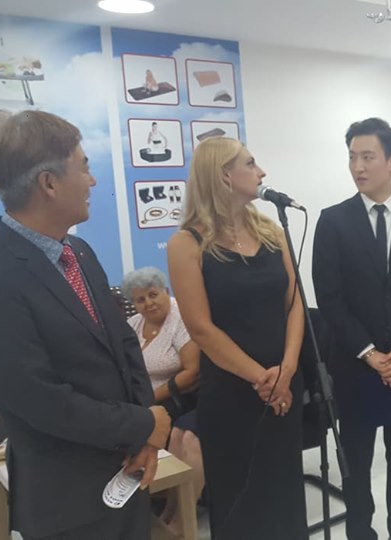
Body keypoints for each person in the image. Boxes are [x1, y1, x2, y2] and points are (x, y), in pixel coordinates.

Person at [0, 109, 170, 539]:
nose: (92, 181)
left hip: (129, 472)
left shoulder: (78, 252)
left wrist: (144, 437)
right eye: (84, 167)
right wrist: (144, 424)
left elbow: (124, 346)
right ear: (49, 184)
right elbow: (41, 401)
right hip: (67, 502)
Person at [166, 136, 307, 539]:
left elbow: (295, 303)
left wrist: (287, 369)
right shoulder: (186, 244)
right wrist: (262, 379)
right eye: (250, 163)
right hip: (232, 393)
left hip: (284, 386)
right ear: (224, 175)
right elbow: (201, 328)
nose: (261, 172)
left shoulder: (272, 232)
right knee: (241, 503)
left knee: (284, 495)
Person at [312, 118, 391, 540]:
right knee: (357, 464)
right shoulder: (333, 221)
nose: (358, 166)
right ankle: (360, 533)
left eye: (367, 157)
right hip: (355, 365)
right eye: (352, 157)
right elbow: (329, 299)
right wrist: (369, 353)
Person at [121, 267, 203, 535]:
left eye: (153, 295)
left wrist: (148, 400)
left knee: (178, 437)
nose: (148, 303)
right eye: (140, 299)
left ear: (166, 291)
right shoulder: (134, 324)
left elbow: (192, 372)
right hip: (140, 401)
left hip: (177, 399)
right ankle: (154, 508)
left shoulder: (180, 318)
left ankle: (179, 513)